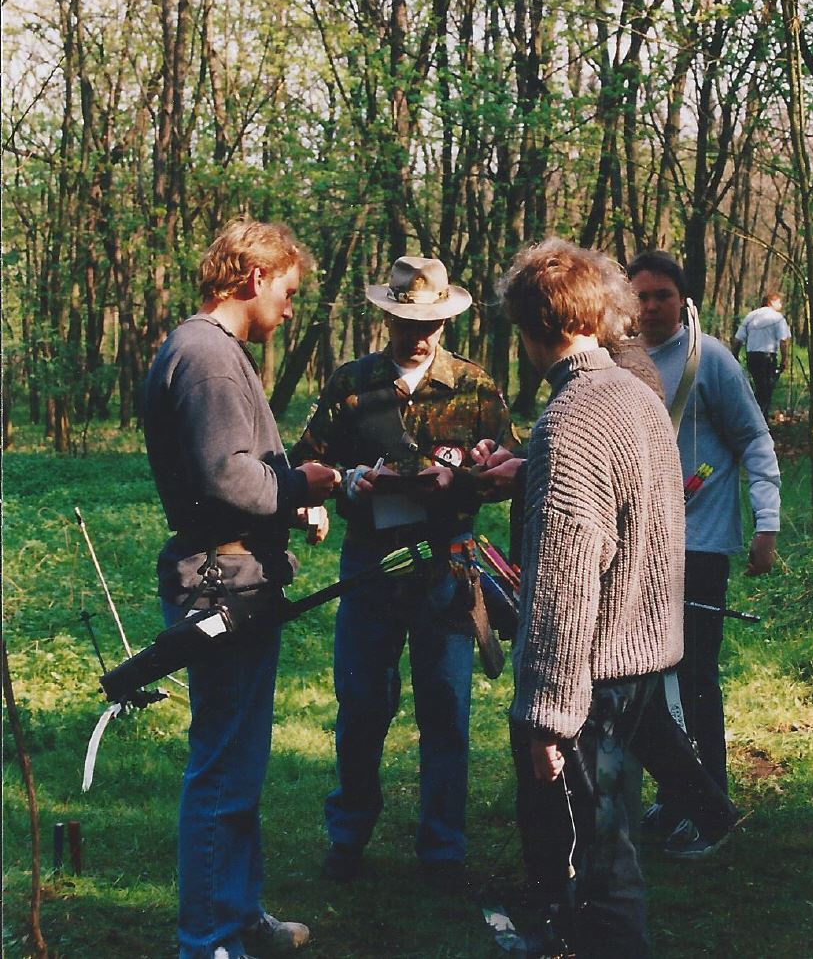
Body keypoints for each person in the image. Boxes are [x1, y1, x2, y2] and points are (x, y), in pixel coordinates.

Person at [143, 218, 340, 959]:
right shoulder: (209, 358)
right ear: (255, 277)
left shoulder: (208, 351)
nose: (289, 307)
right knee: (224, 769)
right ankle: (209, 940)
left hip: (233, 576)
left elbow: (230, 472)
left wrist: (289, 501)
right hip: (221, 585)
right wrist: (300, 484)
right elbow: (225, 476)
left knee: (239, 764)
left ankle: (237, 913)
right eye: (287, 290)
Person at [484, 238, 685, 958]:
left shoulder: (571, 418)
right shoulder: (636, 396)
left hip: (593, 682)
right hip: (641, 664)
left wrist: (546, 717)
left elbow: (564, 584)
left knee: (600, 866)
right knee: (609, 846)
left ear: (532, 326)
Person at [290, 255, 514, 886]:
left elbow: (509, 468)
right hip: (371, 563)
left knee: (445, 709)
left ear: (446, 321)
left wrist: (463, 477)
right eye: (407, 322)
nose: (419, 335)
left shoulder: (474, 387)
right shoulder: (352, 385)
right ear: (387, 318)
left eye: (430, 323)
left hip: (448, 563)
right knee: (362, 703)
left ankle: (443, 850)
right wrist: (349, 483)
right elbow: (308, 463)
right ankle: (349, 835)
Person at [627, 251, 781, 857]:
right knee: (644, 678)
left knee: (693, 678)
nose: (650, 307)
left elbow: (754, 439)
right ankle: (677, 793)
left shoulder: (708, 357)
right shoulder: (622, 360)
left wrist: (766, 526)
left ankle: (710, 805)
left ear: (683, 300)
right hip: (640, 546)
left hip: (701, 546)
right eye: (640, 296)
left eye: (662, 295)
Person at [733, 292, 791, 420]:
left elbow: (738, 339)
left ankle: (759, 418)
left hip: (752, 356)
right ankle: (755, 419)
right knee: (765, 390)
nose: (781, 305)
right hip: (768, 357)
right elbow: (783, 340)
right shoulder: (777, 318)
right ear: (771, 302)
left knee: (761, 388)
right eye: (779, 302)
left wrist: (734, 356)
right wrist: (785, 359)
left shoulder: (751, 316)